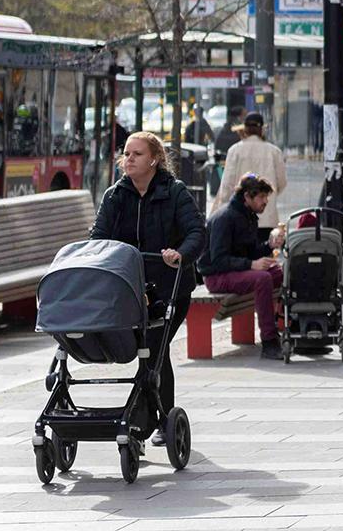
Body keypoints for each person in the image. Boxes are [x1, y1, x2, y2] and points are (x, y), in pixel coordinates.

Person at [90, 131, 206, 448]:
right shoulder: (115, 195)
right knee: (147, 352)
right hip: (130, 290)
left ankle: (155, 420)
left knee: (155, 349)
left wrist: (180, 254)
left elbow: (197, 232)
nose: (128, 159)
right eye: (126, 153)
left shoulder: (175, 192)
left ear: (154, 159)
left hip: (169, 289)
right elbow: (97, 237)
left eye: (136, 154)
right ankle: (149, 416)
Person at [198, 174, 287, 359]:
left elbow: (250, 252)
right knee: (262, 278)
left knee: (281, 273)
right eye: (262, 197)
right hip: (217, 277)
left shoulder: (248, 216)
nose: (265, 201)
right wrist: (252, 265)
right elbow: (218, 260)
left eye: (266, 197)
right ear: (247, 197)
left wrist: (269, 246)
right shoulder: (225, 218)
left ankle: (287, 324)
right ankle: (269, 341)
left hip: (236, 271)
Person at [212, 112, 288, 241]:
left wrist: (224, 206)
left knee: (241, 257)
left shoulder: (234, 151)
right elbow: (282, 182)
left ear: (245, 129)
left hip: (238, 217)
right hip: (266, 218)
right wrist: (266, 196)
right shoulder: (274, 151)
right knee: (264, 256)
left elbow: (227, 185)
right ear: (262, 129)